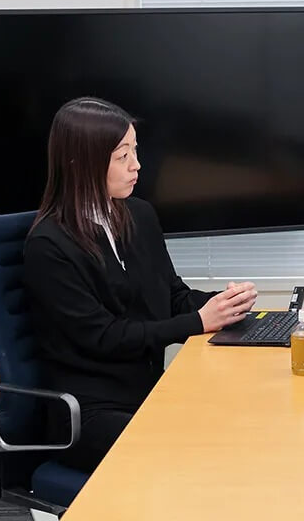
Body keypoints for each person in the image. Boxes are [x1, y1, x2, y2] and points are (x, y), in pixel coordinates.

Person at [24, 97, 259, 472]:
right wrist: (199, 321)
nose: (137, 165)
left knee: (238, 420)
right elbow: (104, 336)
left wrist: (226, 306)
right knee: (194, 450)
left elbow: (171, 295)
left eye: (135, 151)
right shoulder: (49, 246)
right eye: (122, 156)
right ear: (81, 162)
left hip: (146, 392)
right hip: (89, 412)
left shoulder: (138, 214)